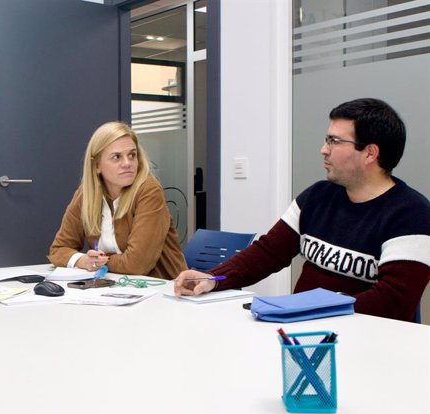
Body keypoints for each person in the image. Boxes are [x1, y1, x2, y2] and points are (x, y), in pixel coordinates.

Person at [175, 98, 430, 322]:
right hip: (304, 334)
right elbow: (268, 252)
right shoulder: (317, 196)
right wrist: (213, 278)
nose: (324, 149)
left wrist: (306, 311)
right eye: (326, 139)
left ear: (370, 153)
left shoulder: (412, 214)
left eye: (335, 141)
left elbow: (394, 301)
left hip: (365, 343)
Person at [48, 121, 187, 280]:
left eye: (132, 155)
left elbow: (137, 264)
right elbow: (58, 249)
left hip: (161, 288)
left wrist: (99, 261)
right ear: (97, 165)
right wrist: (82, 260)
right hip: (113, 287)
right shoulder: (86, 193)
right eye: (116, 157)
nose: (127, 163)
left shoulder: (149, 190)